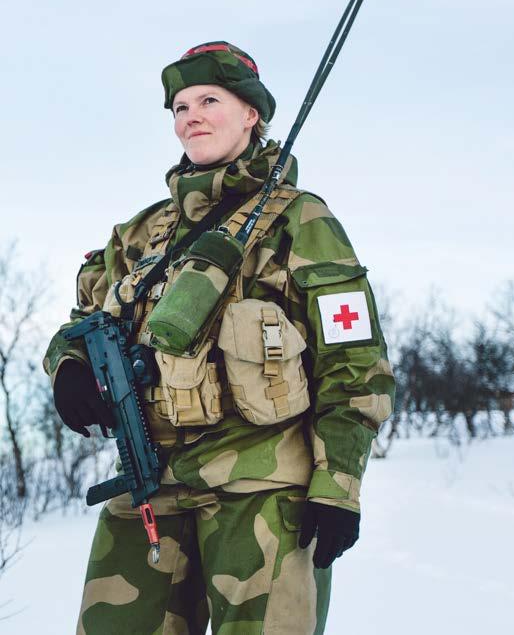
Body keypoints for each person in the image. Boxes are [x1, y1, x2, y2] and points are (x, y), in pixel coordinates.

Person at [43, 41, 395, 635]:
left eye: (209, 100)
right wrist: (70, 365)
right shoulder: (142, 231)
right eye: (180, 107)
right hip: (150, 484)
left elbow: (356, 361)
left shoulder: (300, 220)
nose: (192, 117)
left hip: (262, 486)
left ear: (251, 114)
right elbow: (82, 319)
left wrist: (339, 486)